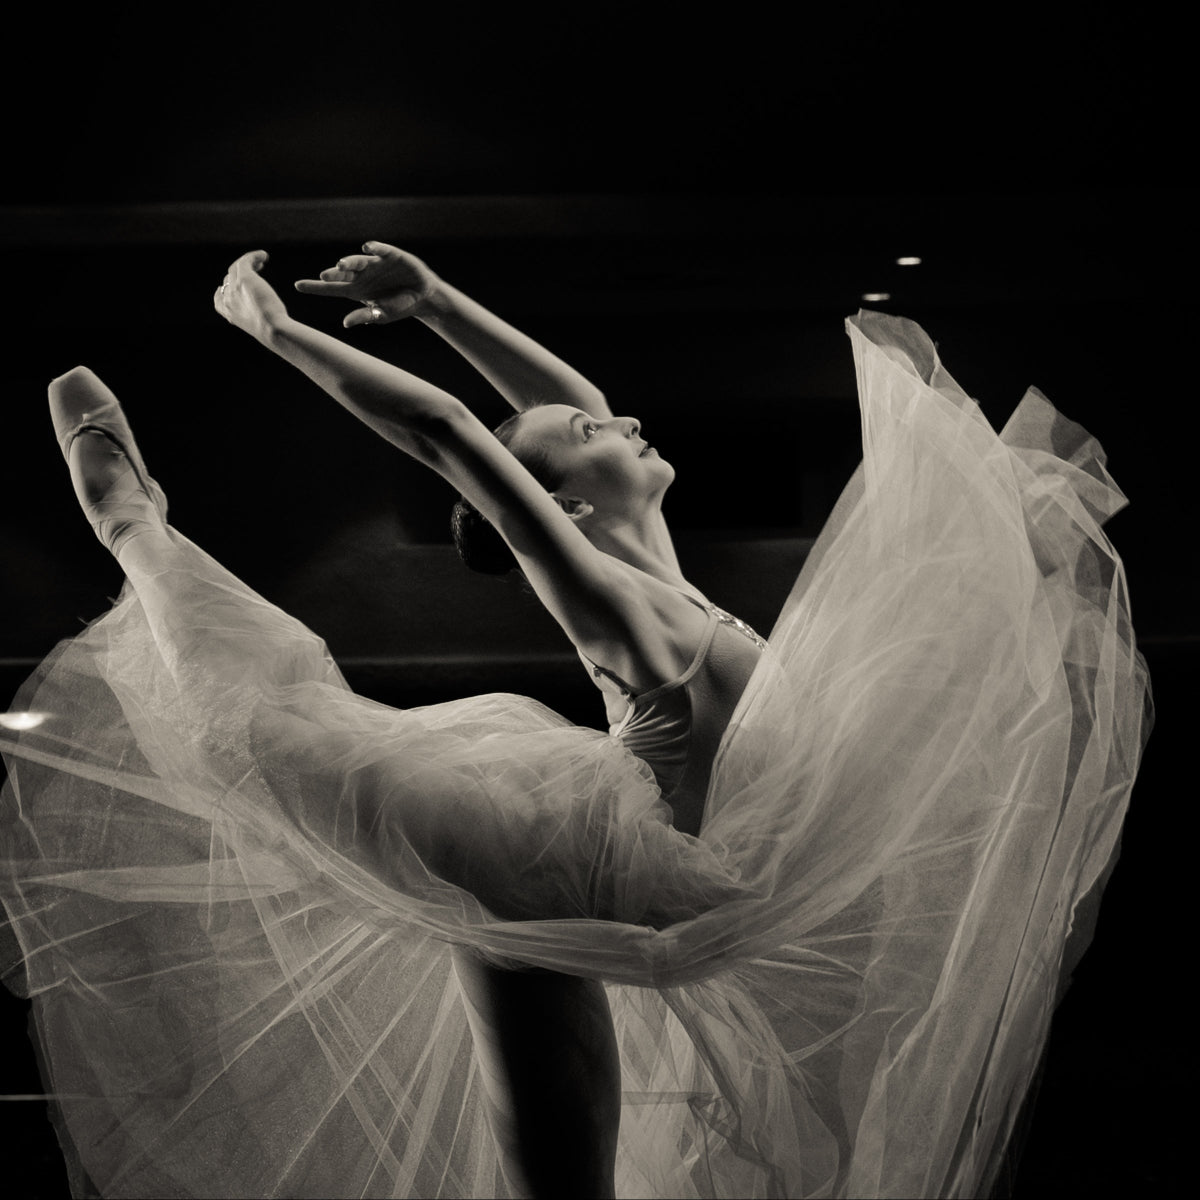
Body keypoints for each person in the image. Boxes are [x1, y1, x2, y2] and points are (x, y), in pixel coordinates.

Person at [0, 243, 1151, 1199]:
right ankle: (134, 527)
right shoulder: (615, 611)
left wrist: (436, 303)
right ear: (558, 502)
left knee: (531, 1062)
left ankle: (136, 531)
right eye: (588, 438)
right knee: (287, 720)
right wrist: (274, 330)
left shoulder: (649, 560)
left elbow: (570, 407)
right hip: (598, 855)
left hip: (648, 864)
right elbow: (454, 433)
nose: (622, 418)